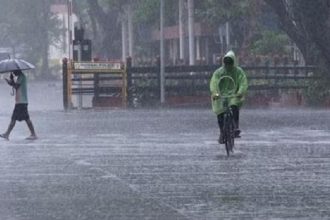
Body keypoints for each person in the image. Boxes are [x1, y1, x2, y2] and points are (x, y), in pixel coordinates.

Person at [210, 50, 248, 144]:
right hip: (221, 95)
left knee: (234, 106)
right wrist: (215, 93)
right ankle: (222, 132)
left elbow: (243, 82)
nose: (228, 65)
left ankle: (235, 126)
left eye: (230, 63)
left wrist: (240, 92)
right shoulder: (219, 72)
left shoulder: (238, 72)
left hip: (234, 94)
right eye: (226, 63)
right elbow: (214, 82)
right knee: (220, 114)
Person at [0, 70, 37, 140]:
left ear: (18, 70)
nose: (13, 73)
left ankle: (33, 134)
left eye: (14, 71)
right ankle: (7, 134)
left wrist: (11, 82)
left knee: (22, 118)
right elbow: (16, 86)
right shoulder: (20, 77)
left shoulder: (21, 77)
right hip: (20, 101)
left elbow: (16, 86)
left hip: (21, 101)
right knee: (18, 118)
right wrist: (11, 81)